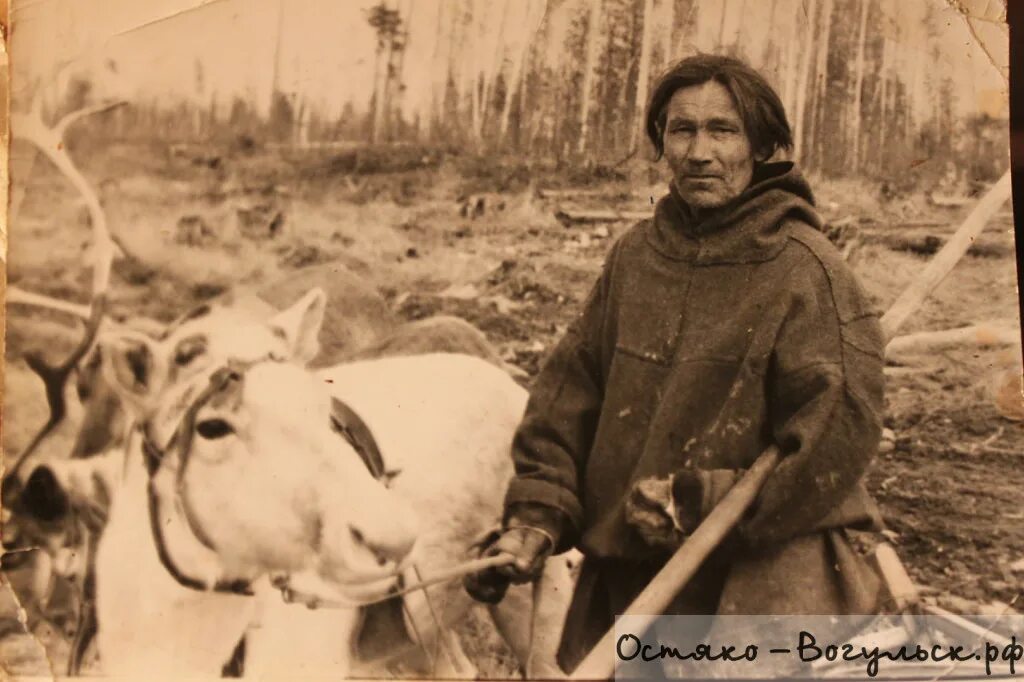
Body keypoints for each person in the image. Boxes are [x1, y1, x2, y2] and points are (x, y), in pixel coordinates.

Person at [464, 54, 887, 674]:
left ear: (763, 145)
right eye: (681, 130)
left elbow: (833, 443)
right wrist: (537, 514)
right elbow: (568, 396)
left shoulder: (805, 270)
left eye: (723, 130)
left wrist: (698, 500)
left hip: (756, 582)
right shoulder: (635, 259)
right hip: (631, 582)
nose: (698, 151)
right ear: (661, 144)